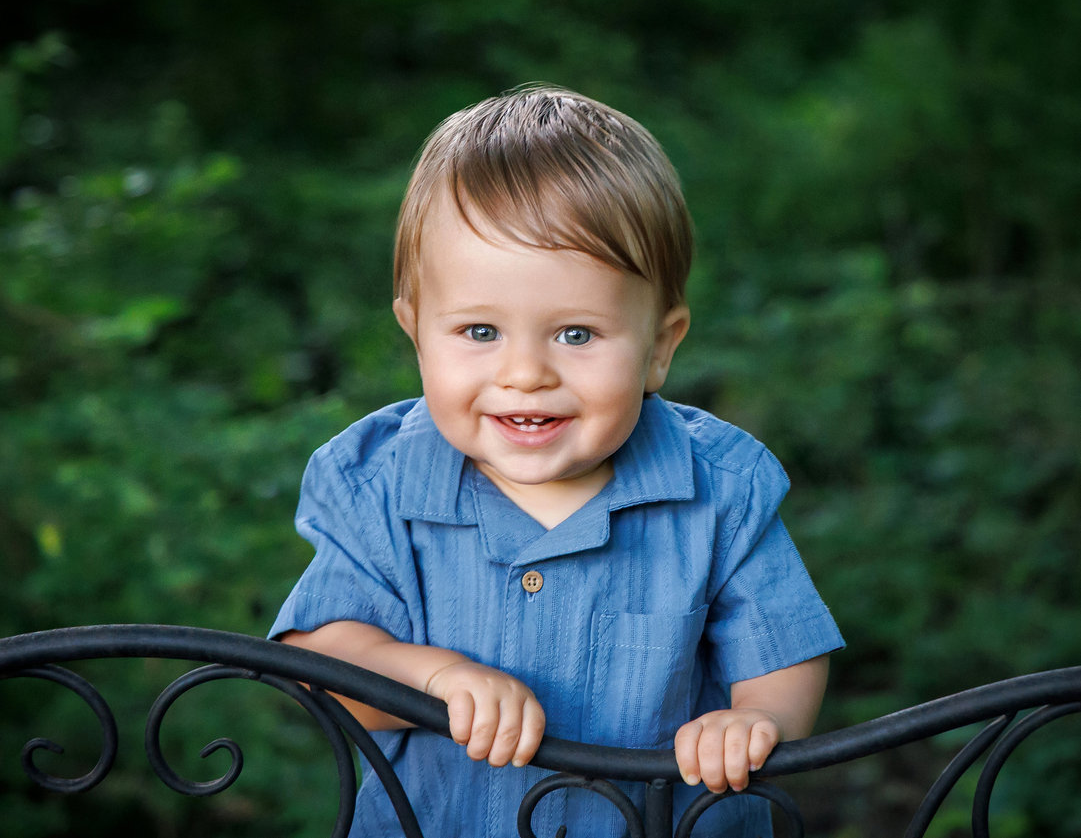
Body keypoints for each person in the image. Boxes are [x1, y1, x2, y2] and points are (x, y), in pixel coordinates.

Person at [270, 84, 844, 838]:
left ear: (660, 346)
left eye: (575, 334)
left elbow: (783, 649)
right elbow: (324, 659)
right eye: (479, 332)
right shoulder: (375, 482)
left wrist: (753, 718)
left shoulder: (720, 489)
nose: (525, 373)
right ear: (415, 332)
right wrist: (434, 675)